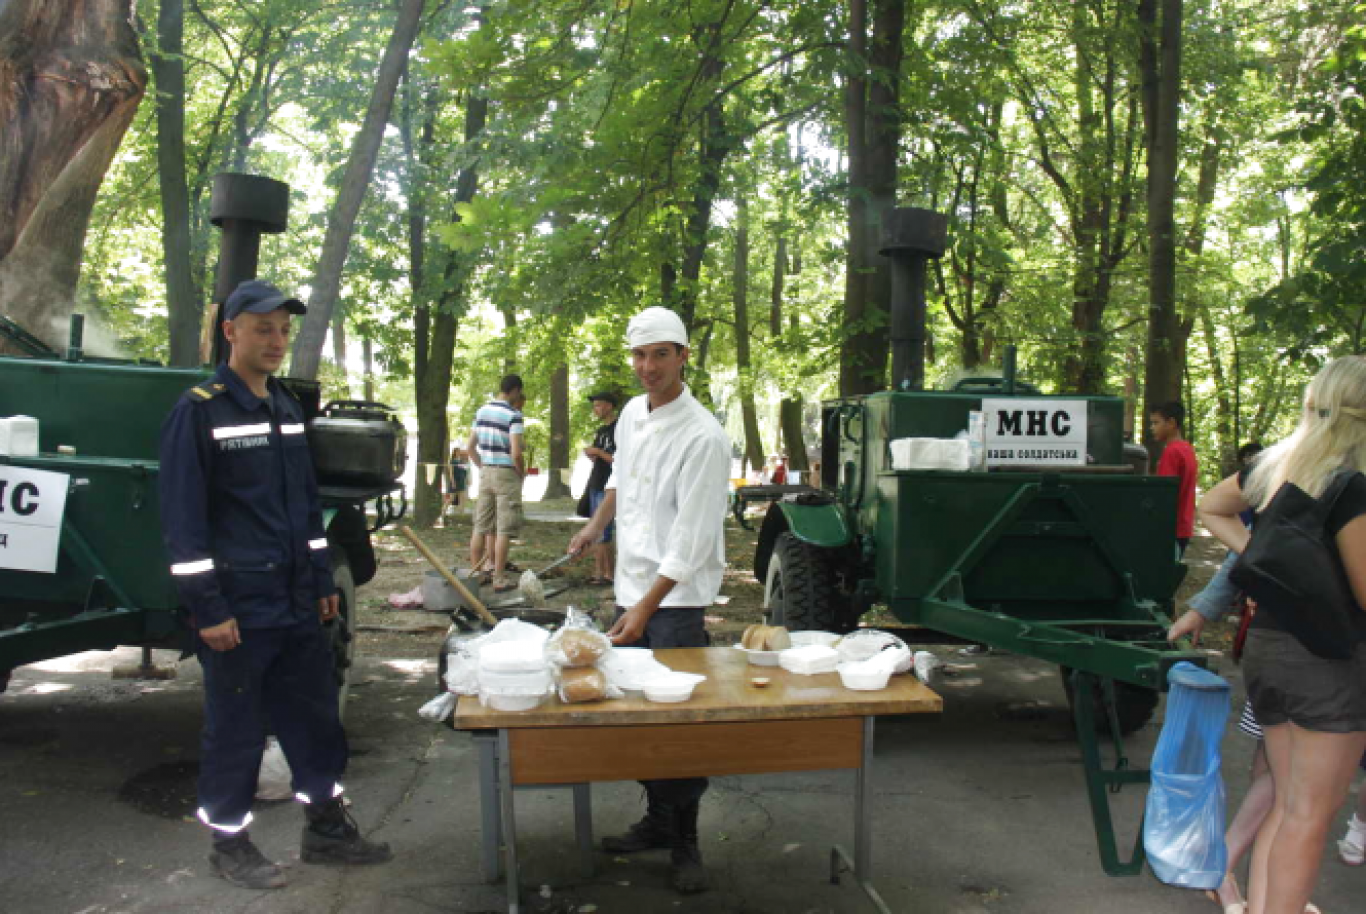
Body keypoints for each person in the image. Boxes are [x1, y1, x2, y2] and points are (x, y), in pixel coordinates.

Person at [159, 280, 391, 891]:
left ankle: (326, 828)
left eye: (284, 330)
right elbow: (183, 524)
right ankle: (229, 845)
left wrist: (320, 580)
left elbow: (305, 509)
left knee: (314, 721)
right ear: (230, 331)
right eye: (263, 328)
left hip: (296, 602)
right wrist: (208, 609)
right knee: (236, 731)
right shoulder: (200, 411)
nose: (276, 340)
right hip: (238, 607)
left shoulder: (285, 407)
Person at [567, 306, 731, 895]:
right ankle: (659, 820)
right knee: (636, 712)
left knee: (679, 722)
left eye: (661, 354)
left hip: (676, 601)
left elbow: (691, 539)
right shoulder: (633, 414)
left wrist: (646, 608)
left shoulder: (704, 436)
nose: (648, 367)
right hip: (631, 589)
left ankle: (685, 839)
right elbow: (620, 479)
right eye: (639, 355)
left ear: (683, 356)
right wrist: (596, 525)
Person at [1200, 356, 1366, 914]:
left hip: (1269, 649)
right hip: (1328, 662)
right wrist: (1279, 566)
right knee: (1309, 817)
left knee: (1288, 806)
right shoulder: (1352, 483)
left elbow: (1212, 506)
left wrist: (1269, 564)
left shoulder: (1280, 464)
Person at [467, 375, 526, 592]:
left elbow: (470, 447)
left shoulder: (481, 411)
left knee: (480, 526)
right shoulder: (513, 415)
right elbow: (516, 452)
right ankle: (499, 578)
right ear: (515, 390)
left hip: (486, 472)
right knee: (503, 529)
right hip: (506, 473)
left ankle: (477, 574)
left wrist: (482, 466)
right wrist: (521, 473)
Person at [1151, 400, 1198, 558]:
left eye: (1156, 423)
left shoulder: (1171, 452)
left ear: (1171, 423)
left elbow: (1165, 495)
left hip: (1171, 528)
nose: (1152, 428)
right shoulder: (1187, 449)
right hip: (1183, 526)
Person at [582, 390, 619, 586]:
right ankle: (598, 572)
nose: (595, 409)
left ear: (609, 406)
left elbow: (618, 459)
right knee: (595, 530)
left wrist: (598, 452)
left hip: (609, 484)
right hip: (596, 481)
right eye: (594, 406)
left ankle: (609, 574)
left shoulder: (619, 429)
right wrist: (593, 454)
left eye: (599, 405)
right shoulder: (601, 431)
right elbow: (601, 457)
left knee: (605, 531)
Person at [441, 444, 468, 522]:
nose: (459, 453)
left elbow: (464, 472)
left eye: (459, 452)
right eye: (457, 452)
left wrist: (466, 480)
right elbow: (451, 473)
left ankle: (460, 516)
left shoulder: (461, 462)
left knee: (462, 499)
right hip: (455, 481)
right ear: (454, 453)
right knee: (451, 498)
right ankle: (442, 513)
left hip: (462, 482)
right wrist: (453, 482)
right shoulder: (452, 461)